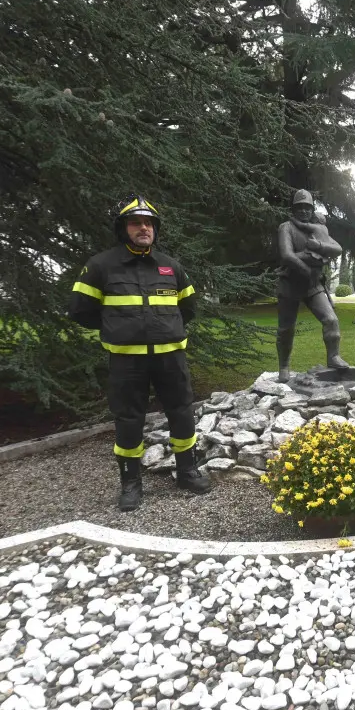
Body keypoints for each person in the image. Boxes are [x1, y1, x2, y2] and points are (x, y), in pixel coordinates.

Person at [69, 195, 213, 512]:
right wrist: (117, 328)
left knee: (181, 411)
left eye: (148, 223)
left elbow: (188, 308)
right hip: (127, 360)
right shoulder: (100, 266)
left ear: (155, 229)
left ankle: (187, 472)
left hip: (170, 358)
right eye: (136, 223)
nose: (143, 228)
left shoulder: (171, 267)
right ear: (124, 229)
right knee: (129, 420)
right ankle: (131, 484)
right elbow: (80, 311)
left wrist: (164, 328)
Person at [275, 189, 349, 382]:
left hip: (313, 286)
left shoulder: (317, 229)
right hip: (290, 284)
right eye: (299, 208)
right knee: (286, 328)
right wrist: (307, 270)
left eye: (307, 208)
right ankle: (284, 366)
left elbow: (336, 248)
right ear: (294, 209)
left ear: (312, 210)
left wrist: (319, 247)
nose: (304, 212)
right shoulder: (286, 228)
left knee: (331, 320)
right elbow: (286, 256)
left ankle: (333, 357)